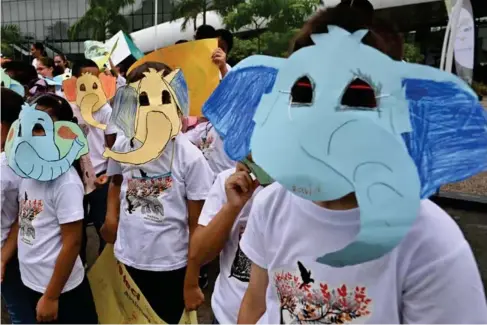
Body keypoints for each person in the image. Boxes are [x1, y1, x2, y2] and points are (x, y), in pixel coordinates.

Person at [237, 5, 487, 324]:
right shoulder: (272, 205)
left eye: (355, 97)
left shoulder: (429, 242)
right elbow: (257, 302)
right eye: (303, 92)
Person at [101, 62, 214, 324]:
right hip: (127, 259)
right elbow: (116, 181)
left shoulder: (190, 158)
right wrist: (111, 217)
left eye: (162, 97)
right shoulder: (123, 143)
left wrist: (191, 281)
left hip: (170, 266)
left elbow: (198, 227)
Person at [14, 94, 98, 323]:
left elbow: (72, 242)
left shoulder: (65, 181)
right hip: (32, 280)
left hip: (60, 289)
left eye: (43, 127)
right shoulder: (27, 172)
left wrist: (51, 296)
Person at [184, 160, 267, 323]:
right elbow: (199, 254)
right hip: (226, 315)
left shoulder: (306, 194)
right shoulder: (230, 182)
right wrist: (232, 206)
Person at [71, 59, 117, 263]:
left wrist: (111, 173)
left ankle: (102, 268)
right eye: (84, 77)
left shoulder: (105, 110)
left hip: (101, 176)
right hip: (74, 177)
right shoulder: (67, 107)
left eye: (95, 78)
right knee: (74, 226)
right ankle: (77, 266)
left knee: (102, 224)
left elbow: (112, 143)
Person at [0, 88, 36, 324]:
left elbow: (24, 214)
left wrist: (3, 257)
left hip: (9, 251)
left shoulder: (6, 164)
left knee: (20, 312)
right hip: (16, 249)